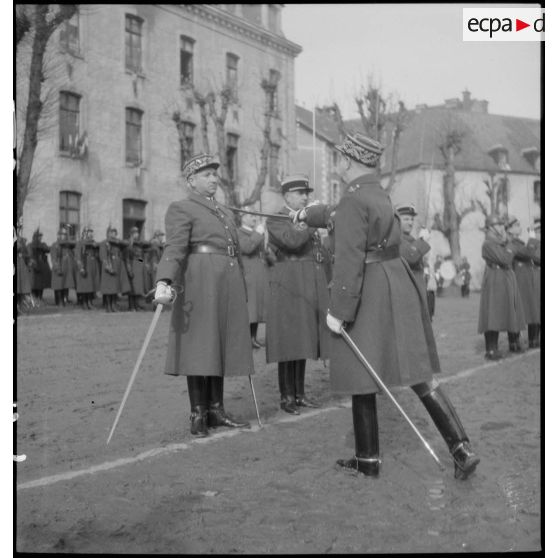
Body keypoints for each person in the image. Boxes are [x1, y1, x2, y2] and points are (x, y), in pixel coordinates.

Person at [298, 132, 479, 480]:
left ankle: (368, 460)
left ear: (348, 161)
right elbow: (338, 215)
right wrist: (307, 214)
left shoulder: (352, 200)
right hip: (396, 284)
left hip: (369, 292)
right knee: (418, 373)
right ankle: (461, 448)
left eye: (340, 159)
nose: (338, 165)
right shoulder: (377, 194)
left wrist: (340, 311)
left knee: (359, 371)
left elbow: (349, 258)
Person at [153, 153, 252, 437]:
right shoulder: (181, 208)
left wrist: (241, 285)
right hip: (200, 283)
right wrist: (164, 280)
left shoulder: (224, 211)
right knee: (200, 346)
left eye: (214, 174)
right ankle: (198, 413)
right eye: (207, 175)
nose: (213, 179)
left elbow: (236, 250)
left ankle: (216, 410)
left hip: (226, 283)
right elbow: (174, 247)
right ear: (191, 181)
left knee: (218, 344)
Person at [265, 174, 328, 415]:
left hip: (305, 282)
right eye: (301, 193)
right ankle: (286, 396)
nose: (305, 198)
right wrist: (311, 220)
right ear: (288, 195)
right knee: (287, 341)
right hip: (287, 282)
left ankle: (299, 394)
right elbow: (292, 241)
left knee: (302, 338)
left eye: (307, 194)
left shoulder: (301, 217)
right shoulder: (277, 217)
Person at [477, 215, 526, 359]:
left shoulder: (501, 242)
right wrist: (510, 245)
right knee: (493, 314)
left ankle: (506, 344)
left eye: (501, 225)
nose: (501, 227)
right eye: (497, 225)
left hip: (504, 277)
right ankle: (491, 349)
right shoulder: (488, 243)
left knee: (503, 312)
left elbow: (518, 251)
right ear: (490, 228)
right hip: (495, 278)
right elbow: (505, 259)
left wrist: (510, 242)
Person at [506, 216, 539, 351]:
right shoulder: (512, 244)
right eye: (517, 225)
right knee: (516, 312)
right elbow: (530, 254)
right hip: (518, 281)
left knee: (528, 310)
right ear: (510, 229)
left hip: (524, 280)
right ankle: (514, 343)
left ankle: (528, 340)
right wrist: (532, 237)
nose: (520, 227)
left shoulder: (518, 243)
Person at [237, 212, 268, 349]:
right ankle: (246, 338)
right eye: (250, 216)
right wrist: (259, 232)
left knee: (256, 309)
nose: (254, 218)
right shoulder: (239, 232)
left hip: (258, 275)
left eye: (254, 216)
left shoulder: (255, 233)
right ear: (242, 218)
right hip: (248, 275)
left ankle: (253, 337)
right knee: (250, 309)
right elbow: (247, 248)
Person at [396, 203, 431, 301]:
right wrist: (422, 240)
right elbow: (411, 256)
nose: (410, 223)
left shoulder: (411, 240)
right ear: (397, 221)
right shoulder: (396, 239)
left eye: (412, 219)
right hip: (405, 293)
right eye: (406, 219)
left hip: (415, 291)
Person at [99, 226, 127, 312]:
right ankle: (108, 306)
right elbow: (103, 256)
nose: (113, 234)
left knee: (115, 288)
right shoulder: (105, 243)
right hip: (109, 267)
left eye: (115, 233)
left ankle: (113, 305)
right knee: (108, 289)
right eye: (112, 232)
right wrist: (108, 267)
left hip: (116, 266)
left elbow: (126, 244)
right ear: (108, 233)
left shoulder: (117, 243)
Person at [50, 226, 76, 306]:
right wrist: (57, 268)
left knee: (65, 284)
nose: (64, 236)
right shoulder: (55, 245)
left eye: (65, 235)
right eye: (62, 235)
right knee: (58, 285)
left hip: (66, 268)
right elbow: (54, 258)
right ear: (59, 235)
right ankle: (59, 301)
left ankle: (64, 299)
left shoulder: (67, 246)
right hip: (59, 267)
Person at [75, 226, 100, 310]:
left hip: (93, 264)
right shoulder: (80, 243)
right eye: (89, 232)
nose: (91, 234)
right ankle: (85, 303)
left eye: (91, 232)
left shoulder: (93, 243)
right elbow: (78, 256)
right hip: (85, 264)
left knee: (91, 285)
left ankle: (90, 302)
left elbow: (97, 253)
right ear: (85, 233)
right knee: (85, 285)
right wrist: (81, 267)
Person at [123, 226, 147, 311]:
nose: (137, 234)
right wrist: (129, 270)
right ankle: (131, 306)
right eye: (135, 233)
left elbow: (139, 258)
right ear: (132, 234)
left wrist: (141, 262)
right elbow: (127, 259)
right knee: (132, 289)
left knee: (137, 289)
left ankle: (137, 305)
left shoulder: (138, 245)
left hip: (138, 268)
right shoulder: (129, 246)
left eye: (137, 233)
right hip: (132, 267)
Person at [527, 219, 541, 348]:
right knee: (536, 307)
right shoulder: (532, 244)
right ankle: (533, 338)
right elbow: (535, 257)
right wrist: (532, 240)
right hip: (536, 276)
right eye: (537, 231)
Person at [29, 228, 51, 304]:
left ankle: (40, 297)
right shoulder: (30, 245)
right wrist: (34, 264)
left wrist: (41, 247)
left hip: (42, 265)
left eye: (40, 237)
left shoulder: (42, 244)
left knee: (42, 283)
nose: (40, 238)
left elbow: (48, 249)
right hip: (35, 266)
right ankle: (34, 298)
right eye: (39, 237)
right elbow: (30, 255)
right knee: (34, 284)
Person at [15, 221, 33, 311]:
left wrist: (29, 262)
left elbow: (27, 253)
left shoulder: (22, 240)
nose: (18, 230)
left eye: (19, 228)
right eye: (17, 228)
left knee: (21, 286)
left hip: (21, 264)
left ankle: (19, 305)